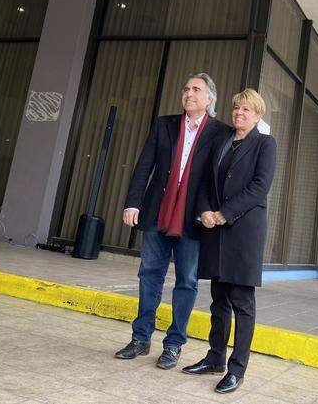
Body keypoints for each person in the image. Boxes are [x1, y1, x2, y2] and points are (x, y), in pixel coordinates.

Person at [114, 72, 230, 371]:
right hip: (156, 213)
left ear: (209, 98)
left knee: (186, 282)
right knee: (149, 275)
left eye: (196, 89)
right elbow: (144, 165)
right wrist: (132, 202)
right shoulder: (164, 124)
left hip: (192, 219)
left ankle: (174, 344)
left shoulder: (220, 132)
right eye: (186, 88)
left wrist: (215, 212)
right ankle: (140, 339)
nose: (189, 93)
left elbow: (219, 179)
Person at [182, 88, 277, 394]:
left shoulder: (265, 143)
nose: (239, 114)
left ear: (257, 115)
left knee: (242, 303)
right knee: (218, 299)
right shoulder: (222, 142)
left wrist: (223, 213)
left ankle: (237, 369)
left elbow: (260, 187)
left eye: (246, 110)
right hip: (215, 231)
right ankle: (214, 358)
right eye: (236, 109)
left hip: (242, 232)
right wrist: (205, 211)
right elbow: (206, 181)